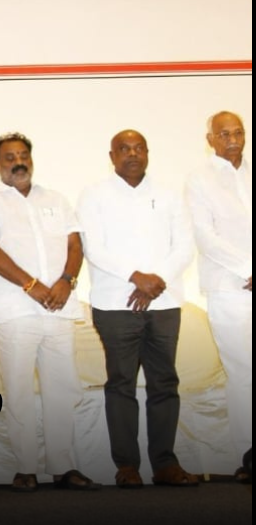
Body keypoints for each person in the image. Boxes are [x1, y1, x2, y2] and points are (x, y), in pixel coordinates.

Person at [0, 133, 99, 492]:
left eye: (23, 155)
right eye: (9, 157)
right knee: (20, 390)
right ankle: (25, 468)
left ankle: (64, 467)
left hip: (59, 307)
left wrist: (66, 281)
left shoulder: (56, 198)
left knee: (62, 389)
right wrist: (32, 286)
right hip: (15, 311)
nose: (18, 161)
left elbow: (75, 243)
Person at [77, 129, 198, 488]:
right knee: (121, 385)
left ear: (148, 153)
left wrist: (154, 281)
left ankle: (165, 464)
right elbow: (93, 247)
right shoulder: (94, 195)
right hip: (115, 304)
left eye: (139, 148)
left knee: (164, 384)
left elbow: (184, 246)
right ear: (111, 156)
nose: (132, 154)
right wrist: (136, 277)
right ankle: (126, 466)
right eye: (124, 149)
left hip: (165, 302)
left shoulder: (168, 195)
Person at [184, 111, 251, 483]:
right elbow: (205, 236)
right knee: (242, 373)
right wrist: (248, 269)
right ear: (210, 139)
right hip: (230, 288)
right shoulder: (199, 180)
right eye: (223, 134)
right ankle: (248, 454)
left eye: (238, 132)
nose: (233, 139)